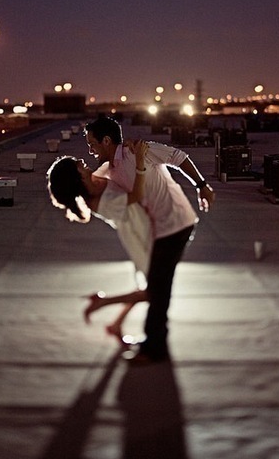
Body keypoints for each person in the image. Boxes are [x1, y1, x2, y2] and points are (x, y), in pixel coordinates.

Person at [85, 116, 215, 364]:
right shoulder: (107, 169)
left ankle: (153, 350)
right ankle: (142, 339)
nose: (90, 150)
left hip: (177, 223)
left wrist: (201, 185)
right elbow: (89, 183)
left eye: (93, 144)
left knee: (158, 291)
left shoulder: (140, 150)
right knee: (156, 287)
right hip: (158, 230)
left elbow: (179, 157)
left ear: (107, 140)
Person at [47, 141, 153, 344]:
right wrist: (140, 161)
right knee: (153, 291)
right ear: (76, 177)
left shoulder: (96, 183)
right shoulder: (98, 202)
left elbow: (113, 165)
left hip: (144, 232)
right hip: (141, 239)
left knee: (149, 287)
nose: (81, 161)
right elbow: (136, 194)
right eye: (77, 164)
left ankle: (116, 324)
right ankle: (102, 302)